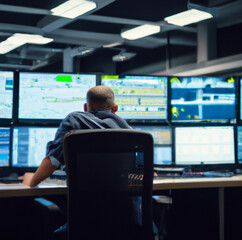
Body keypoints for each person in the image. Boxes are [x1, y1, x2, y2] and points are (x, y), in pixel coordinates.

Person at [22, 85, 131, 187]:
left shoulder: (74, 121)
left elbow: (53, 160)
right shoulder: (128, 131)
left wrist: (32, 181)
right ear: (115, 108)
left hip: (84, 204)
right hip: (127, 205)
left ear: (85, 107)